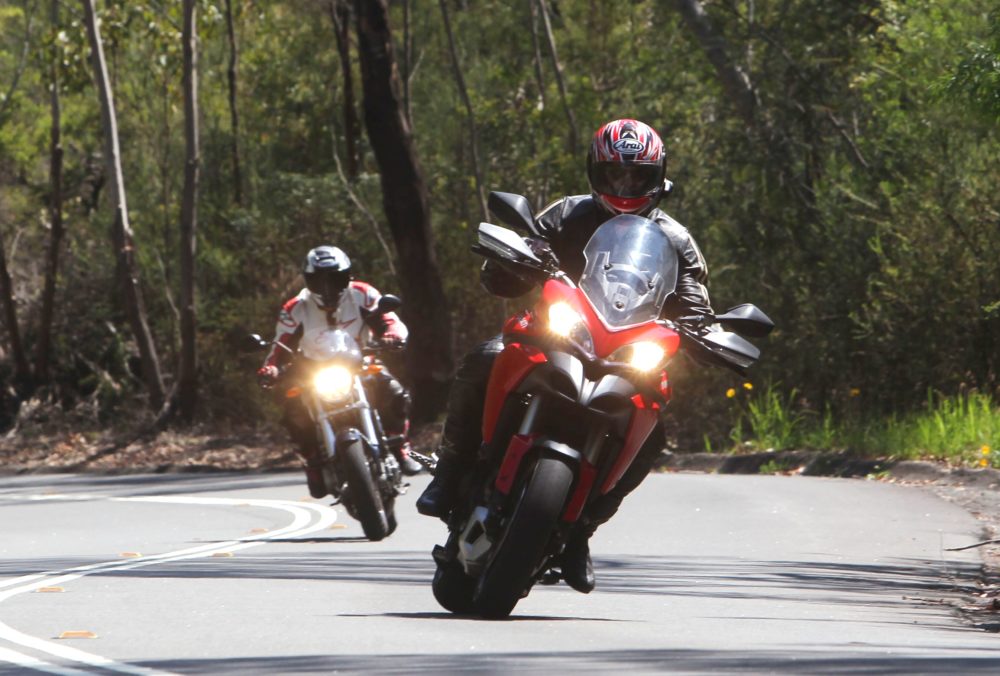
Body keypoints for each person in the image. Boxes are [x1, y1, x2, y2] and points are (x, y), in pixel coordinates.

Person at [416, 118, 714, 593]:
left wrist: (707, 333)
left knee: (654, 429)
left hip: (629, 350)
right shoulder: (567, 214)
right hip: (557, 335)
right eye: (614, 174)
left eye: (636, 176)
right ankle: (451, 470)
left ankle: (581, 530)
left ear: (658, 177)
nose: (625, 185)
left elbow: (698, 305)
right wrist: (511, 260)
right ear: (594, 172)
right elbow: (506, 268)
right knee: (485, 357)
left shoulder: (676, 241)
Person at [258, 245, 424, 499]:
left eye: (334, 279)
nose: (327, 288)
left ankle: (400, 446)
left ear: (347, 276)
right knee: (292, 409)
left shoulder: (363, 295)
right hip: (311, 371)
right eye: (319, 280)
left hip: (360, 361)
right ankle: (313, 464)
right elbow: (280, 344)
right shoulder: (295, 308)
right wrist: (269, 368)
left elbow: (389, 319)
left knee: (394, 391)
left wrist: (392, 336)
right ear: (307, 280)